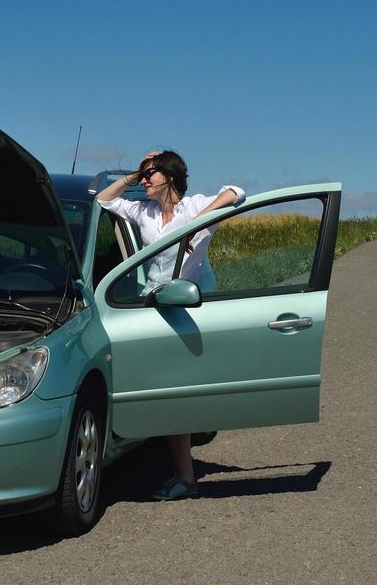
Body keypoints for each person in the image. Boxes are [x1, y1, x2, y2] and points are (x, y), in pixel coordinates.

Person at [96, 150, 245, 501]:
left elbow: (237, 192)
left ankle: (184, 477)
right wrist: (133, 175)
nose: (145, 180)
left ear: (171, 177)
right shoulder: (143, 212)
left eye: (151, 174)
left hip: (189, 309)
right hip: (153, 309)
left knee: (178, 392)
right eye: (143, 174)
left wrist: (197, 225)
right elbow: (104, 199)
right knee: (167, 393)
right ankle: (183, 475)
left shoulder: (194, 208)